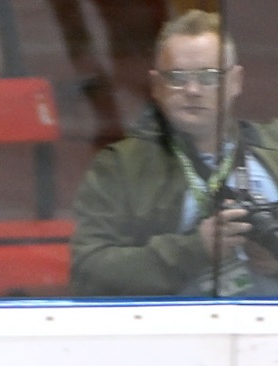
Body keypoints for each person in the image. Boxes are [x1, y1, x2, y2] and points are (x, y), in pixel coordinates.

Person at [71, 10, 278, 298]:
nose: (192, 90)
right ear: (156, 86)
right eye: (177, 77)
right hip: (172, 320)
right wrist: (195, 248)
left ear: (236, 81)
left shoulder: (272, 149)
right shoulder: (120, 167)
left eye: (208, 77)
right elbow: (88, 272)